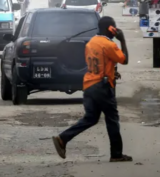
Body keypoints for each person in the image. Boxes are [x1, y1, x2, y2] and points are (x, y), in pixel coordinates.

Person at [52, 16, 131, 162]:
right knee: (112, 119)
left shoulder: (91, 42)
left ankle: (63, 138)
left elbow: (101, 63)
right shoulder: (108, 44)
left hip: (89, 85)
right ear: (110, 28)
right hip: (102, 87)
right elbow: (125, 59)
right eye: (114, 27)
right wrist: (122, 39)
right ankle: (116, 154)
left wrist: (112, 72)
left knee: (91, 118)